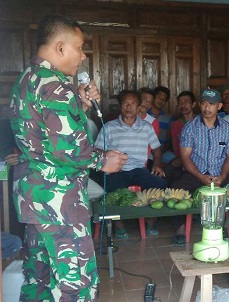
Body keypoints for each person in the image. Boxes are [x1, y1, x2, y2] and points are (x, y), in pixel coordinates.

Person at [9, 15, 127, 301]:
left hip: (34, 199)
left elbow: (46, 138)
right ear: (61, 47)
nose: (83, 56)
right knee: (76, 285)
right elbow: (70, 150)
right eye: (80, 48)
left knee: (38, 281)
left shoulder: (28, 78)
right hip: (59, 203)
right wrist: (104, 160)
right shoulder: (56, 88)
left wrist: (81, 104)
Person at [170, 88, 229, 245]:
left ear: (219, 106)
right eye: (204, 103)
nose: (207, 108)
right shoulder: (190, 127)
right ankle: (180, 227)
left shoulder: (227, 128)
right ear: (199, 105)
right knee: (176, 190)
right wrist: (200, 176)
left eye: (212, 104)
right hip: (196, 172)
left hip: (220, 172)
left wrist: (222, 176)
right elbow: (185, 156)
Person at [95, 90, 168, 238]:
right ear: (120, 106)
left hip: (138, 170)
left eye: (133, 103)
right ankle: (118, 224)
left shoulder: (146, 126)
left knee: (160, 185)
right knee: (111, 189)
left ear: (139, 106)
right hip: (117, 170)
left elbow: (156, 149)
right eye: (125, 103)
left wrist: (157, 165)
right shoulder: (109, 127)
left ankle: (150, 220)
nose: (129, 107)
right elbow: (97, 150)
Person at [165, 90, 197, 183]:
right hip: (182, 157)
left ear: (193, 104)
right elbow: (176, 148)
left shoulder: (200, 122)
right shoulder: (175, 125)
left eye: (186, 102)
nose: (183, 105)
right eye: (180, 103)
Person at [150, 86, 175, 163]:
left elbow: (169, 139)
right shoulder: (144, 114)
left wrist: (162, 150)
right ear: (153, 98)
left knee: (172, 157)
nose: (161, 101)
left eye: (164, 99)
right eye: (159, 97)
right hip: (146, 151)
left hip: (162, 152)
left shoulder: (169, 118)